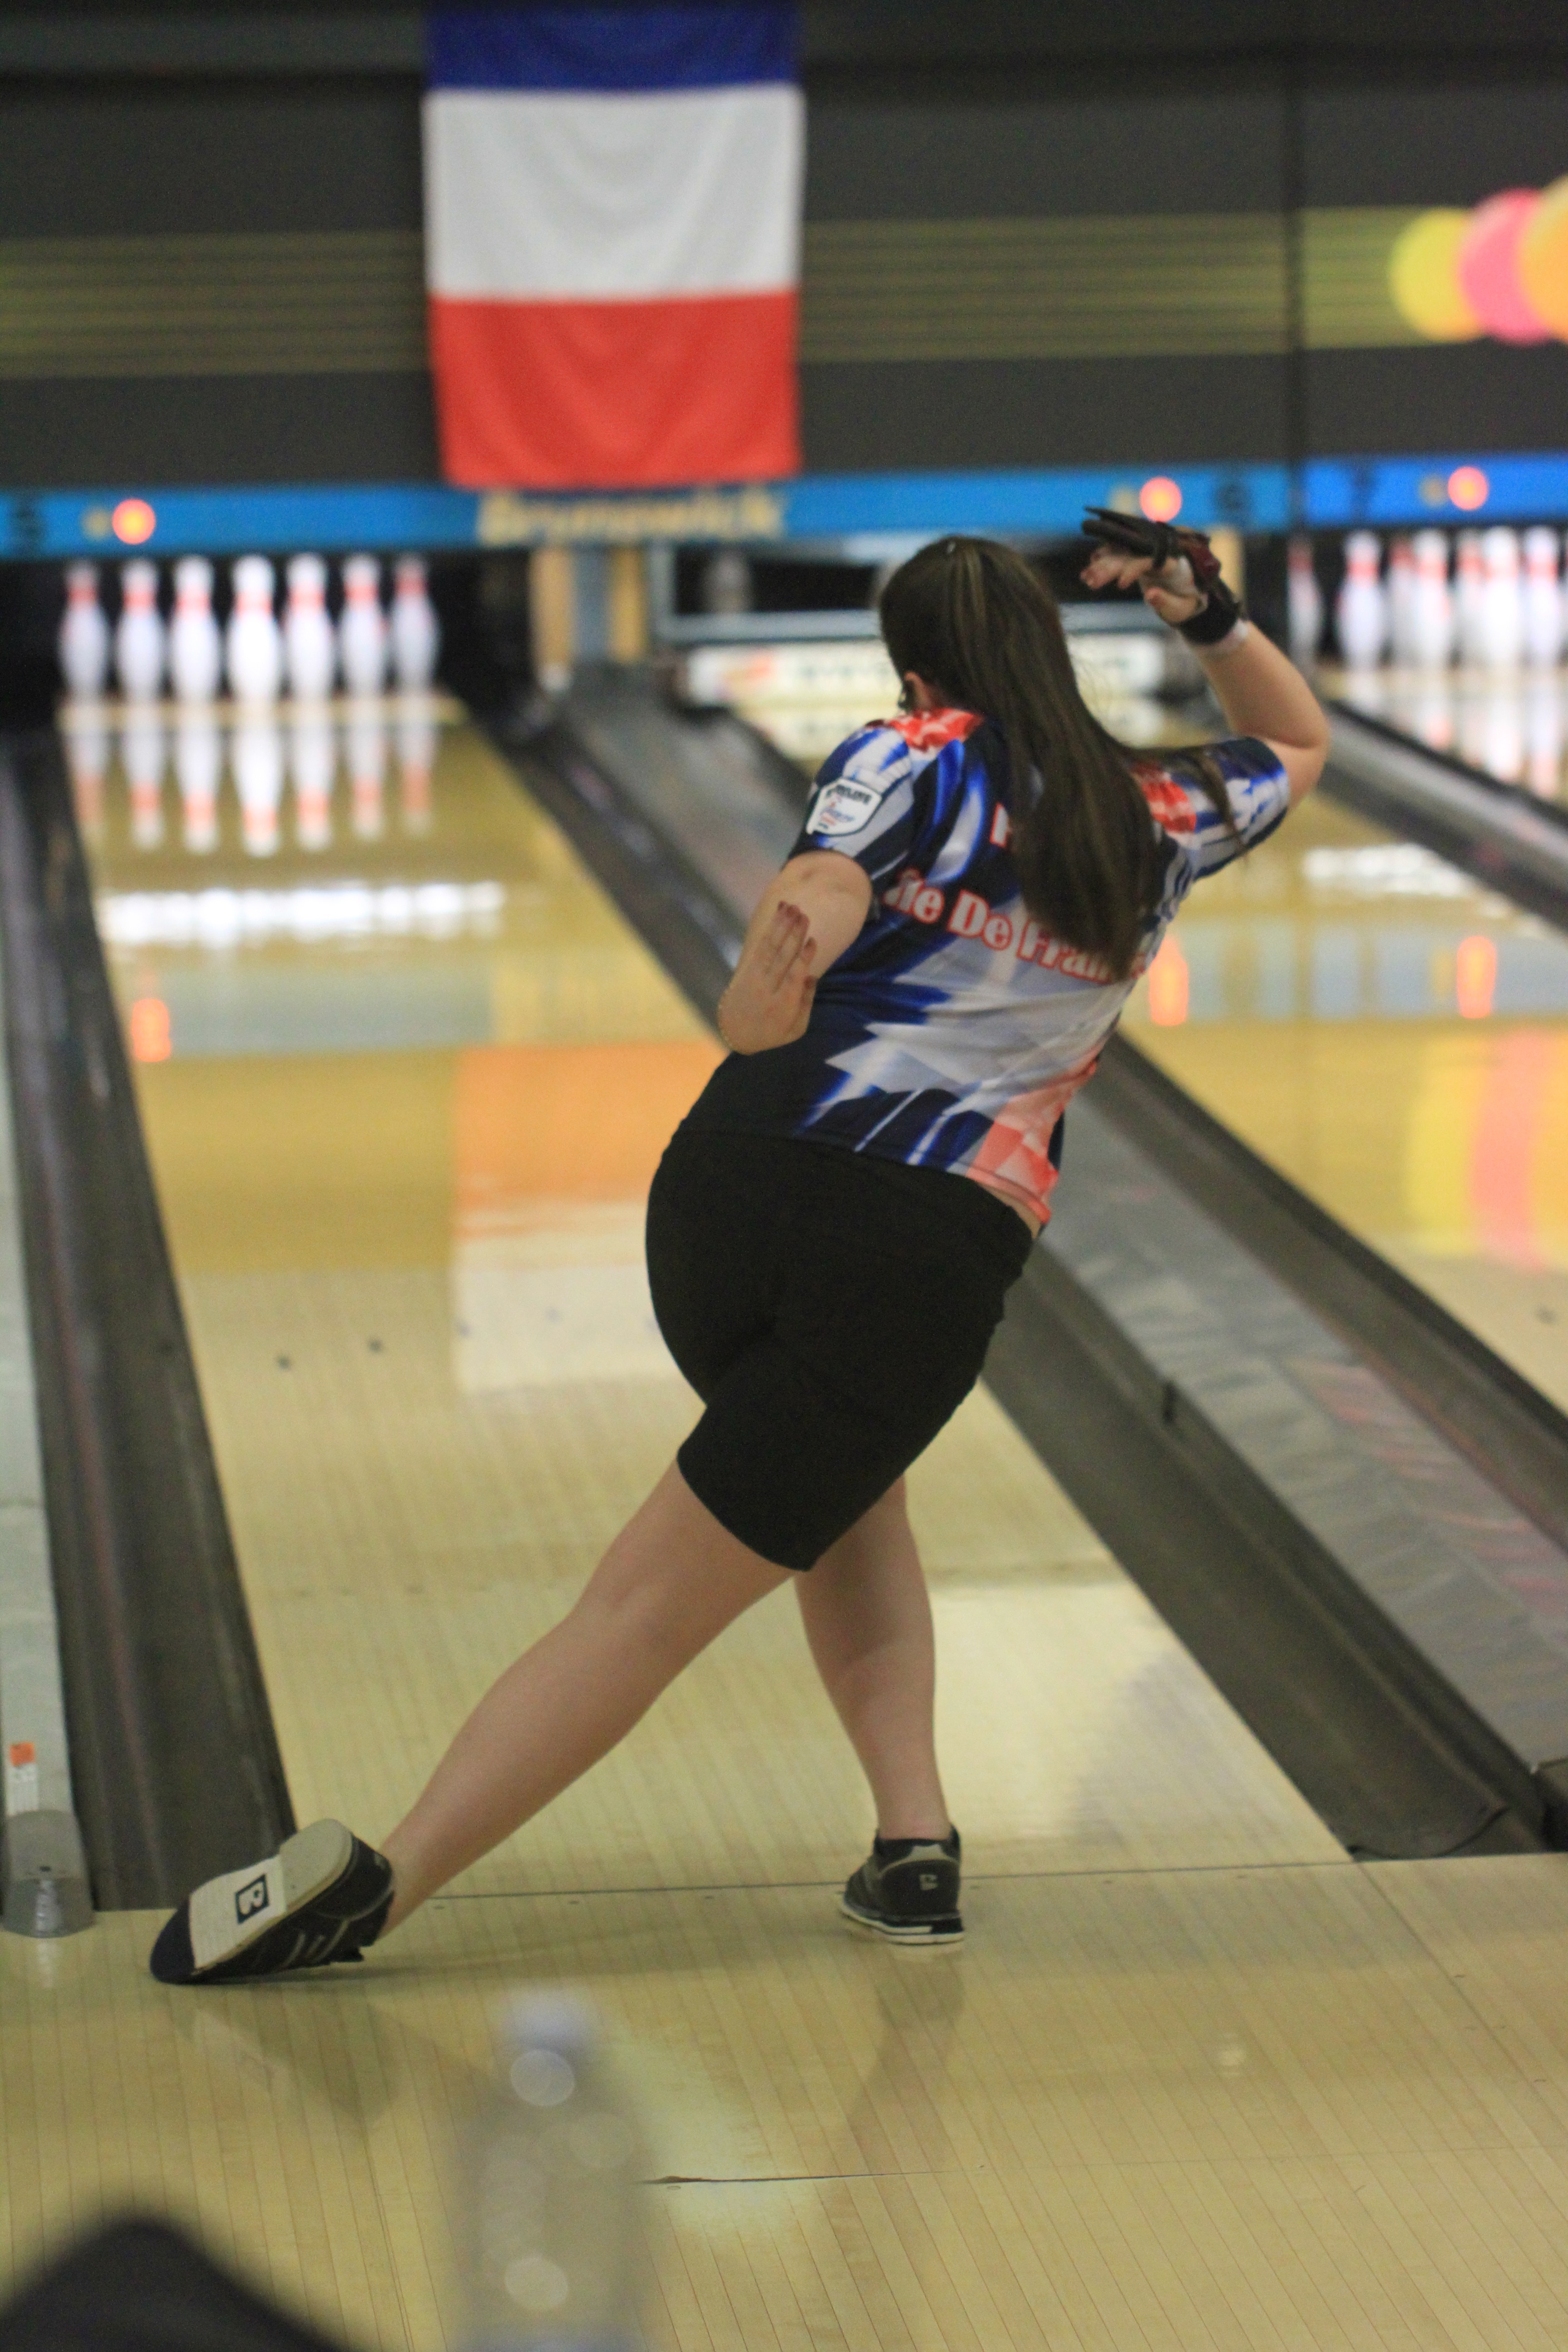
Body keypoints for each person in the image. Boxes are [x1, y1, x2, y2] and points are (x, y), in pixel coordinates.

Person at [150, 526, 1329, 1984]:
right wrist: (1206, 611)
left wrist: (782, 958)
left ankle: (916, 1847)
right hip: (919, 1256)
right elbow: (1294, 737)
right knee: (654, 1604)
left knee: (842, 1499)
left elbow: (826, 886)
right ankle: (379, 1895)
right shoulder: (1158, 809)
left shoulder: (909, 750)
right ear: (1050, 646)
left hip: (727, 1200)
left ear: (917, 671)